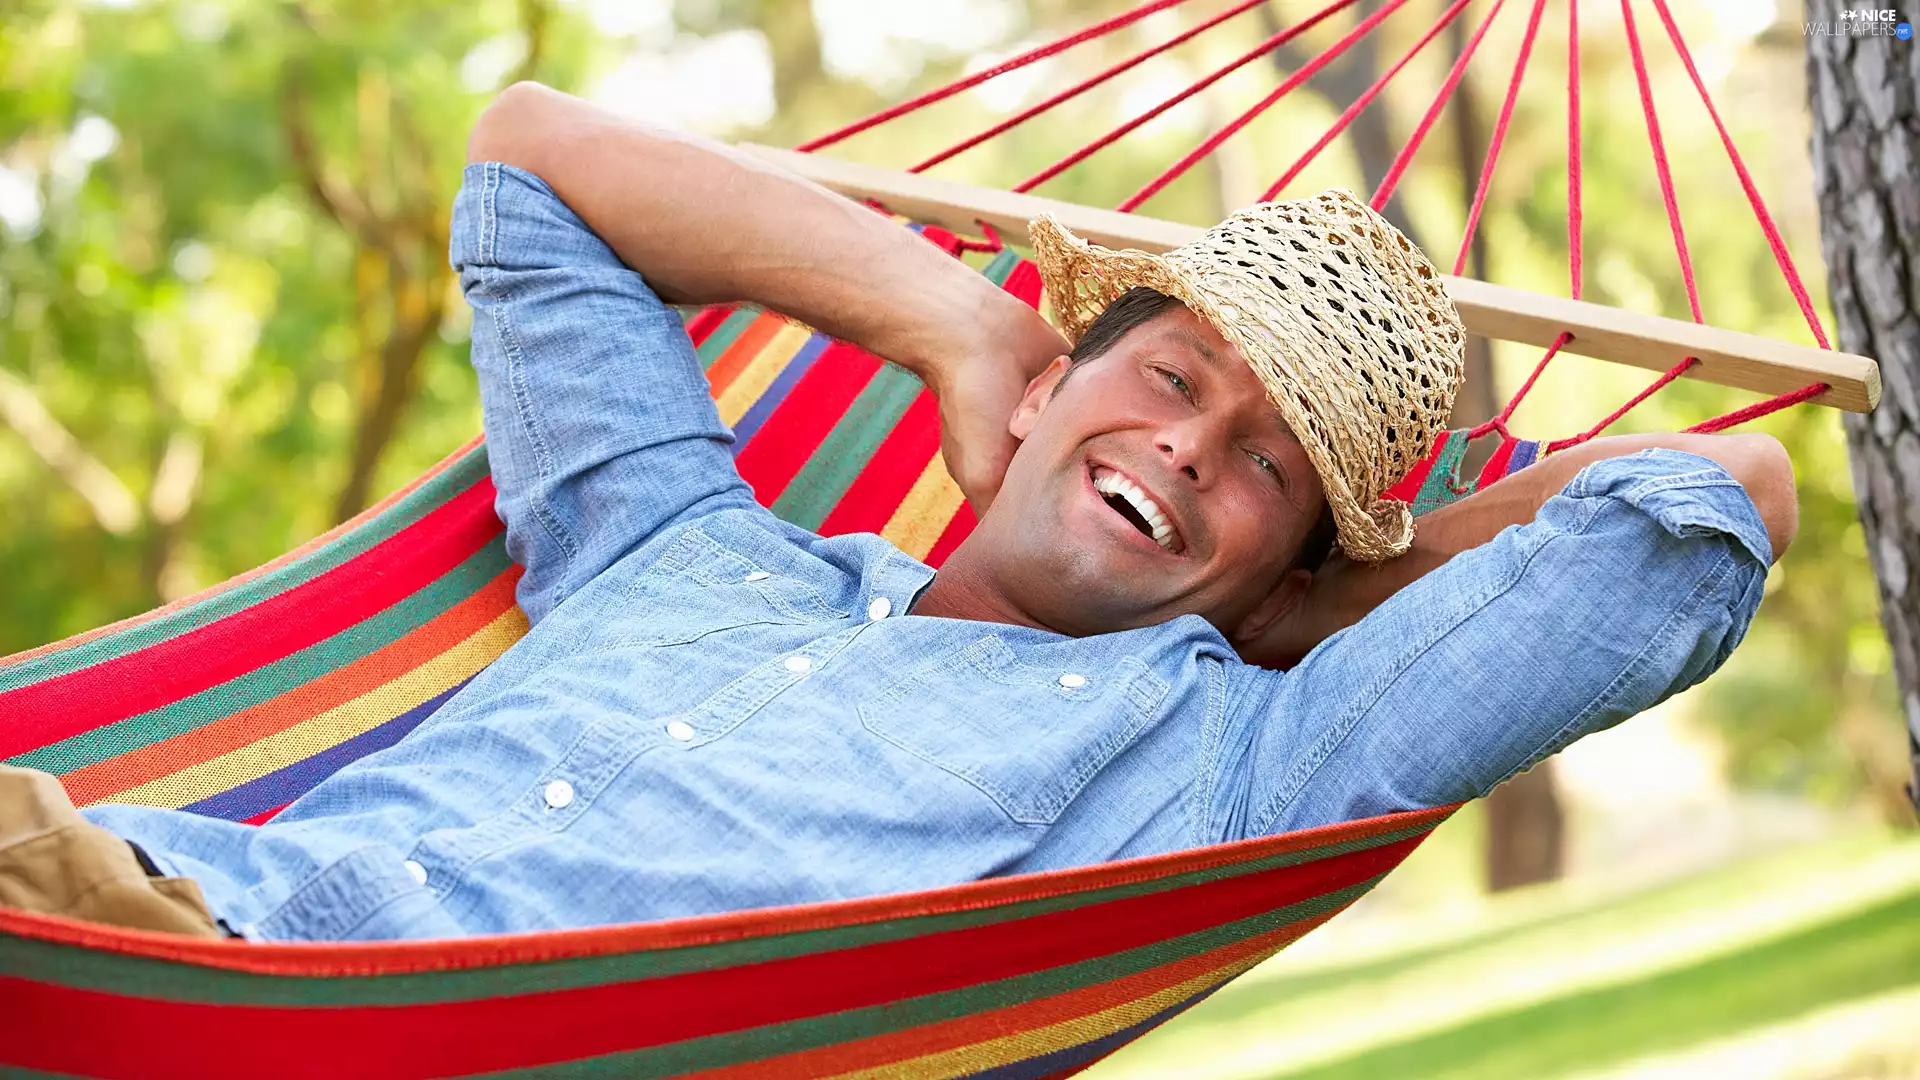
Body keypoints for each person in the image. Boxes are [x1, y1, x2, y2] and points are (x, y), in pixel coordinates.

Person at [0, 84, 1795, 942]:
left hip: (316, 1019)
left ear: (1282, 563)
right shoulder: (678, 543)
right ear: (1048, 393)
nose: (1187, 449)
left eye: (1265, 465)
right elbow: (530, 155)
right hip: (127, 913)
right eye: (1170, 380)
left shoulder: (1230, 767)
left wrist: (1321, 611)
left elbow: (1719, 493)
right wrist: (948, 318)